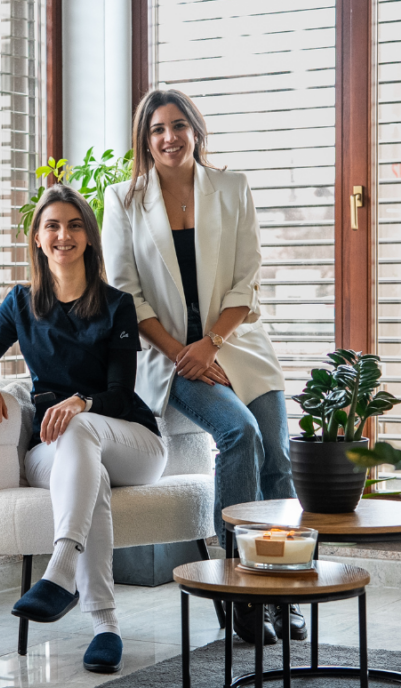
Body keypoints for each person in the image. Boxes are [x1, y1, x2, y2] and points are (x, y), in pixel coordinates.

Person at [103, 88, 307, 645]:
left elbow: (247, 279)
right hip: (166, 355)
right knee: (239, 433)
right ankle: (238, 587)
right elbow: (125, 296)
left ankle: (283, 585)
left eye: (178, 125)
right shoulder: (123, 200)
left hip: (235, 342)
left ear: (195, 130)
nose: (169, 138)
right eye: (157, 130)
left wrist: (211, 343)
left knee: (278, 458)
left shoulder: (231, 188)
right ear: (145, 141)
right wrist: (182, 352)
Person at [0, 184, 166, 674]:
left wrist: (81, 401)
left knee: (80, 426)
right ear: (37, 238)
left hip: (132, 443)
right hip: (54, 450)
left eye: (73, 226)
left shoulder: (116, 304)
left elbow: (120, 393)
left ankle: (61, 569)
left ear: (89, 237)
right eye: (51, 226)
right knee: (89, 473)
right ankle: (106, 626)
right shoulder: (20, 302)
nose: (62, 235)